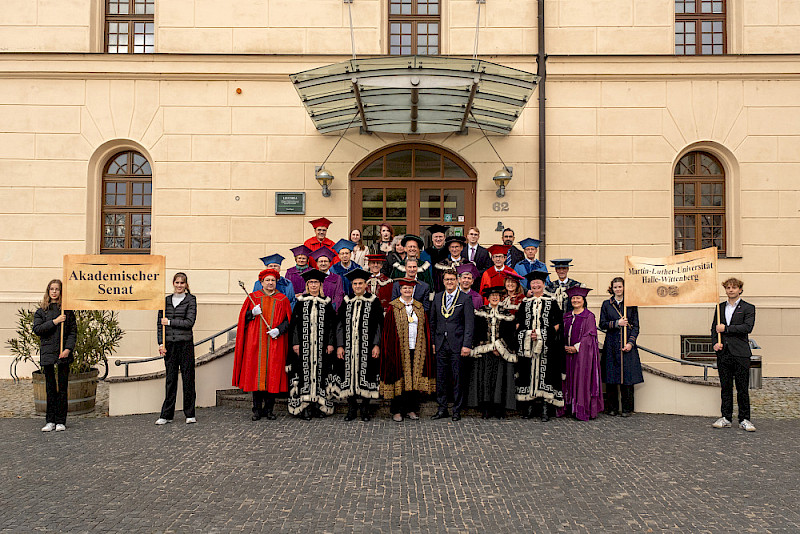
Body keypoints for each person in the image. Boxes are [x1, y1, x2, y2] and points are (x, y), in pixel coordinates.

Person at [232, 269, 291, 421]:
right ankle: (257, 410)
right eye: (267, 280)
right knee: (255, 375)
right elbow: (242, 319)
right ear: (262, 283)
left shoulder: (282, 299)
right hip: (255, 343)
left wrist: (279, 330)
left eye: (273, 280)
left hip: (274, 343)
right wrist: (252, 313)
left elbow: (288, 320)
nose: (270, 283)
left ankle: (269, 410)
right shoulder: (253, 298)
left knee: (272, 375)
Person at [330, 269, 383, 422]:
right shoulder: (346, 301)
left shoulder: (374, 301)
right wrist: (340, 345)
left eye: (361, 283)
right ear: (351, 285)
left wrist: (376, 345)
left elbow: (379, 325)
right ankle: (351, 408)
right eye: (355, 284)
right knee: (349, 376)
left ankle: (365, 409)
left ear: (366, 285)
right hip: (348, 347)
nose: (358, 286)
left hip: (367, 347)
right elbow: (339, 325)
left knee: (367, 375)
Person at [381, 279, 435, 422]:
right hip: (398, 349)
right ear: (400, 290)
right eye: (404, 288)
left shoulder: (419, 307)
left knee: (414, 380)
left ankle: (411, 409)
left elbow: (425, 328)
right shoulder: (394, 307)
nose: (407, 291)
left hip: (416, 348)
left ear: (413, 291)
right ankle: (397, 411)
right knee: (400, 379)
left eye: (409, 289)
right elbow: (387, 331)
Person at [516, 270, 565, 421]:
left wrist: (541, 333)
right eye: (533, 283)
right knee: (527, 373)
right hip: (528, 345)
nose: (536, 285)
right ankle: (529, 406)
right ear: (529, 285)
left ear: (544, 285)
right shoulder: (524, 303)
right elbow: (518, 324)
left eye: (539, 282)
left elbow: (557, 325)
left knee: (547, 375)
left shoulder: (552, 302)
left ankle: (545, 408)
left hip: (547, 346)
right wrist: (527, 334)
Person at [288, 269, 337, 420]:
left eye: (316, 282)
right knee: (304, 375)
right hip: (304, 346)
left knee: (322, 375)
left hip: (322, 347)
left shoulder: (327, 302)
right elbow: (294, 325)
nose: (314, 285)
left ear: (320, 284)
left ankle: (320, 405)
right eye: (311, 283)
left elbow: (331, 325)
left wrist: (330, 343)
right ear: (307, 285)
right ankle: (304, 407)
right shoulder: (301, 302)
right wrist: (296, 343)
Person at [711, 277, 757, 432]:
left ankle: (745, 419)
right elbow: (714, 329)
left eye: (734, 287)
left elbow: (747, 327)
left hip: (741, 353)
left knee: (742, 388)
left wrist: (727, 329)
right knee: (726, 387)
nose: (730, 290)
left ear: (740, 290)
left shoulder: (748, 308)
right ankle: (726, 417)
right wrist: (714, 343)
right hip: (724, 353)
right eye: (728, 288)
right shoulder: (719, 308)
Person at [429, 269, 474, 421]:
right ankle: (442, 409)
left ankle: (456, 409)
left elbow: (469, 324)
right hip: (441, 343)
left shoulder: (465, 298)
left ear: (458, 281)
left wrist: (467, 344)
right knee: (441, 378)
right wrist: (434, 343)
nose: (449, 282)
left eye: (452, 279)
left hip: (458, 344)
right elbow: (433, 322)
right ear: (443, 281)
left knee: (457, 378)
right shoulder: (437, 297)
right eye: (447, 279)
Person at [33, 279, 77, 432]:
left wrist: (68, 349)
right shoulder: (41, 311)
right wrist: (55, 321)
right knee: (50, 388)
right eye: (52, 289)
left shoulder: (67, 311)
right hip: (48, 354)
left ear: (61, 292)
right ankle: (50, 420)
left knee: (63, 388)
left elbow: (72, 332)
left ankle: (60, 420)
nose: (54, 292)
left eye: (57, 289)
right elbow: (38, 329)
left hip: (62, 353)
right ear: (48, 291)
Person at [468, 286, 518, 419]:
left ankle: (499, 409)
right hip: (485, 353)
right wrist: (487, 347)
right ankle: (486, 409)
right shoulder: (480, 312)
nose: (495, 298)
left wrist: (499, 347)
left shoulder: (507, 314)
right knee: (485, 380)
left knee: (500, 381)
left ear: (501, 298)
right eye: (492, 296)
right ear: (488, 298)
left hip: (502, 353)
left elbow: (511, 334)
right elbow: (477, 332)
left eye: (497, 296)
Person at [155, 272, 198, 425]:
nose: (179, 285)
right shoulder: (165, 301)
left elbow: (189, 322)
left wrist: (171, 322)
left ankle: (190, 413)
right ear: (173, 283)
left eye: (182, 283)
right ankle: (166, 414)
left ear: (186, 285)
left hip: (185, 344)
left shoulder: (191, 300)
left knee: (188, 378)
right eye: (177, 283)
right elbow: (160, 325)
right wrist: (161, 344)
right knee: (170, 380)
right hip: (170, 345)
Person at [599, 277, 644, 417]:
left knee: (627, 378)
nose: (618, 289)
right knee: (611, 378)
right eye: (615, 287)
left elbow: (636, 326)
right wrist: (617, 323)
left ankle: (626, 408)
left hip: (627, 344)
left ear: (624, 287)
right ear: (611, 288)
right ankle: (612, 408)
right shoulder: (607, 304)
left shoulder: (631, 304)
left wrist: (631, 343)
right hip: (612, 344)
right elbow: (602, 324)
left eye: (620, 287)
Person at [559, 286, 603, 421]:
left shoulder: (589, 316)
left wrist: (576, 347)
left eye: (578, 298)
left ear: (583, 300)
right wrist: (564, 346)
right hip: (566, 354)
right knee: (567, 380)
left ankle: (580, 409)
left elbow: (590, 336)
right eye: (573, 298)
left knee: (580, 380)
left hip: (582, 356)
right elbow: (560, 334)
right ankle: (567, 407)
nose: (575, 300)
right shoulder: (566, 316)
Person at [309, 246, 344, 310]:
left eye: (325, 261)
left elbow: (338, 296)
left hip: (331, 311)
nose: (323, 263)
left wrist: (332, 309)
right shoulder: (312, 277)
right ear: (316, 263)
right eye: (320, 261)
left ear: (330, 263)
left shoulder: (336, 278)